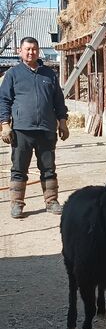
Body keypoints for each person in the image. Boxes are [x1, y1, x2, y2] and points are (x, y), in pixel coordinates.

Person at [0, 36, 69, 218]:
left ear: (38, 51)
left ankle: (52, 201)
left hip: (46, 129)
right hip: (22, 130)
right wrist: (5, 125)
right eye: (27, 49)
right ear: (20, 51)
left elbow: (58, 101)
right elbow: (4, 101)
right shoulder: (13, 74)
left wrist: (62, 122)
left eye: (34, 49)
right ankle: (16, 204)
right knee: (19, 168)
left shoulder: (49, 74)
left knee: (48, 168)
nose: (31, 52)